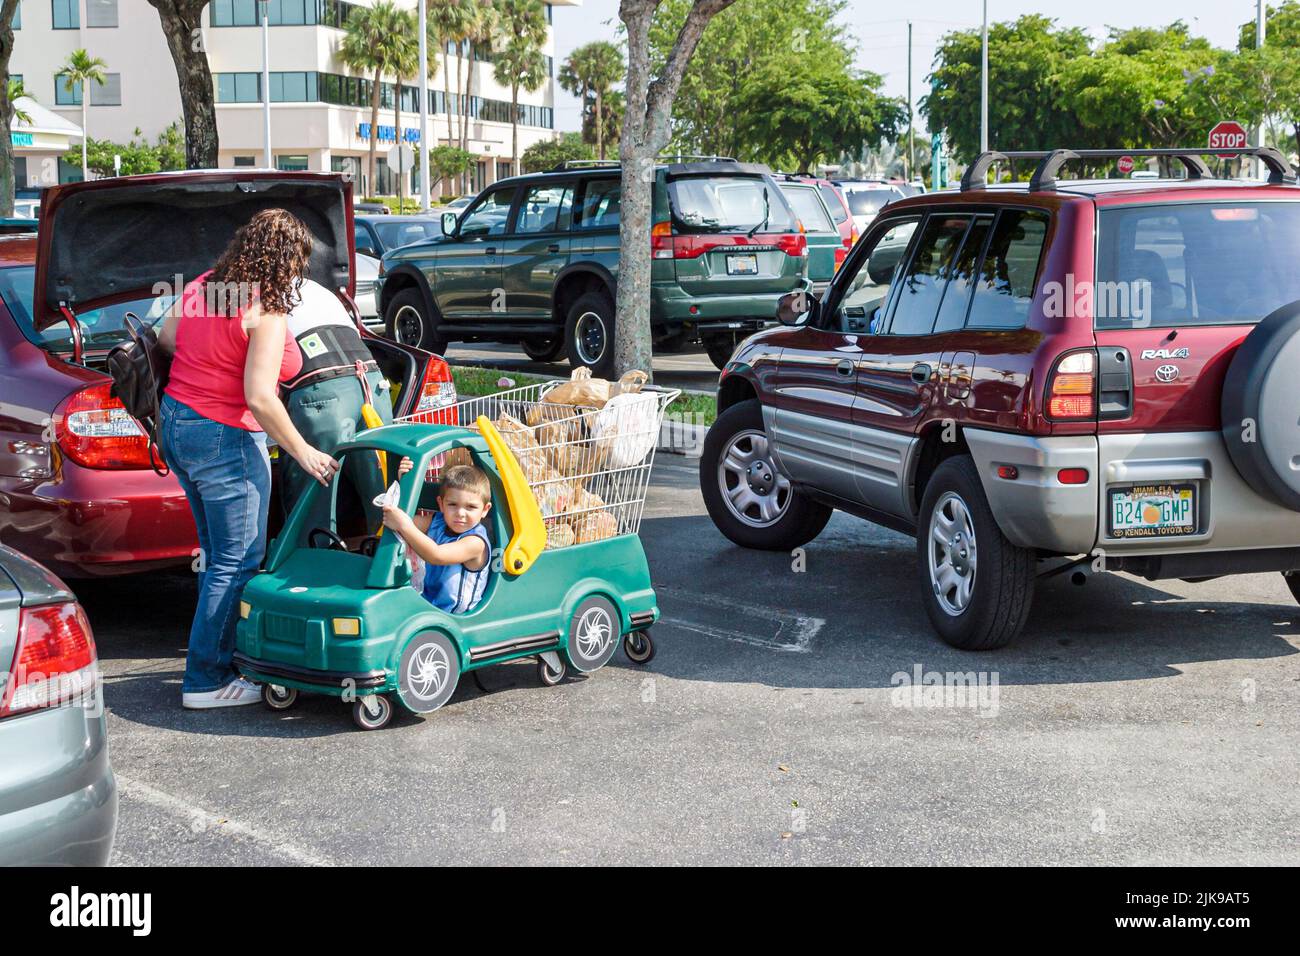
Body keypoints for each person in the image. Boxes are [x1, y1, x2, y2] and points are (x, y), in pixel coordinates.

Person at [158, 208, 340, 709]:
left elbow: (166, 339)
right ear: (287, 262)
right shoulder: (265, 309)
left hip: (178, 423)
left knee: (217, 557)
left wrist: (210, 359)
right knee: (236, 563)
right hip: (225, 439)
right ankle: (206, 681)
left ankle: (216, 662)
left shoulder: (206, 285)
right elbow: (260, 397)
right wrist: (304, 452)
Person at [278, 276, 392, 524]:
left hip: (322, 394)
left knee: (315, 500)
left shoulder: (254, 293)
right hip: (373, 384)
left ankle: (314, 557)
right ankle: (388, 557)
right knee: (383, 497)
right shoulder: (317, 287)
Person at [382, 463, 492, 614]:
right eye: (452, 504)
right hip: (427, 605)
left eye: (471, 507)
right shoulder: (437, 522)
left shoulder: (475, 542)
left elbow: (436, 555)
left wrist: (404, 525)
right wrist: (405, 483)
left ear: (485, 510)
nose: (460, 513)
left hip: (455, 617)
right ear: (441, 504)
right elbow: (401, 519)